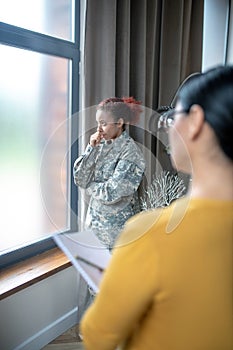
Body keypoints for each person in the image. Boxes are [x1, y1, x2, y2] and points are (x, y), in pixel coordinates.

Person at [80, 65, 233, 350]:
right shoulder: (99, 148)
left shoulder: (151, 234)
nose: (167, 128)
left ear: (196, 120)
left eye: (172, 117)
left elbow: (98, 335)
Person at [73, 97, 146, 249]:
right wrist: (91, 148)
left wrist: (88, 185)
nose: (99, 129)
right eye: (98, 123)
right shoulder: (100, 145)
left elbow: (112, 192)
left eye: (104, 124)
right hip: (94, 231)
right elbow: (79, 177)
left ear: (119, 123)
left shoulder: (131, 154)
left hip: (118, 238)